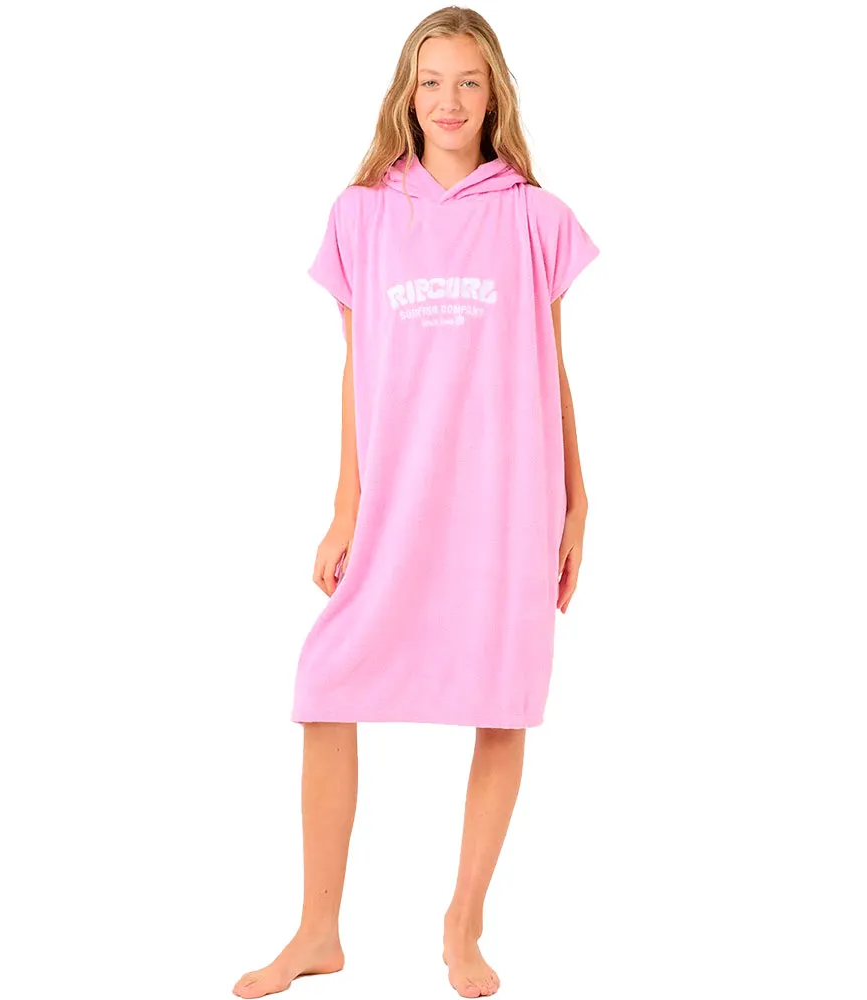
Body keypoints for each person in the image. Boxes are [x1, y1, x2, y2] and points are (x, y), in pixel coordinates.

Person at [233, 7, 599, 998]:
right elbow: (356, 368)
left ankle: (462, 925)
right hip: (400, 497)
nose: (449, 100)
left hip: (508, 494)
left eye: (468, 81)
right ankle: (317, 929)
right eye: (431, 80)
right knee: (325, 685)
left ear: (494, 95)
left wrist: (578, 500)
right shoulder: (361, 214)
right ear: (406, 94)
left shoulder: (534, 217)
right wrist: (345, 505)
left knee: (502, 697)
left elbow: (552, 365)